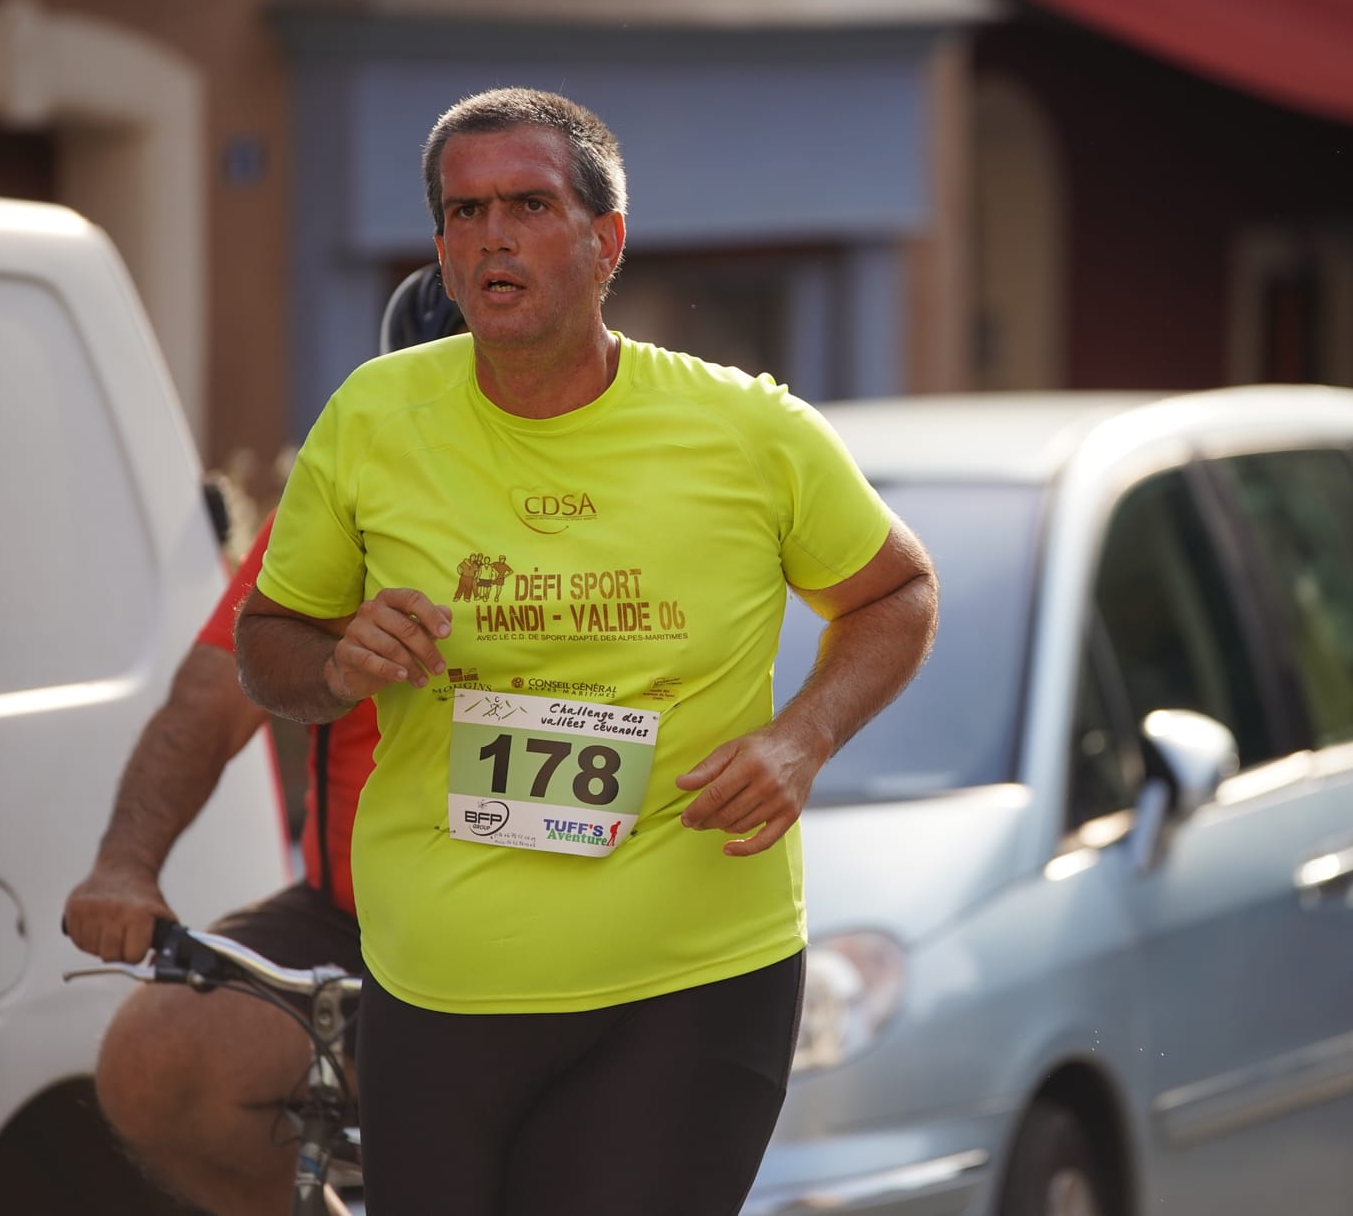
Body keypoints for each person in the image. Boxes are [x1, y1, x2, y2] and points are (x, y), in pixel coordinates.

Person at [233, 86, 938, 1216]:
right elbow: (266, 640)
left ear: (606, 241)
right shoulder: (371, 417)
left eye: (528, 205)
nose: (492, 236)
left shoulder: (747, 431)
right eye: (464, 213)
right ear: (441, 251)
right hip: (438, 984)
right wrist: (333, 665)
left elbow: (896, 590)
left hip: (691, 981)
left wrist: (801, 739)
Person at [61, 264, 463, 1216]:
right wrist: (125, 865)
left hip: (572, 925)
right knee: (156, 1061)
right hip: (360, 919)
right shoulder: (345, 507)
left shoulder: (619, 509)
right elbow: (209, 698)